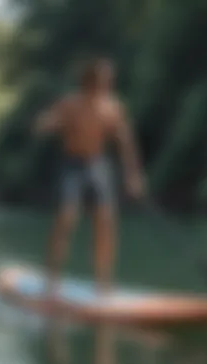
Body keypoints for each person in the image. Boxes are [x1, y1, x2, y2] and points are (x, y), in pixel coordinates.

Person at [34, 57, 145, 298]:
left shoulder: (113, 107)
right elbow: (49, 120)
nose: (106, 84)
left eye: (109, 80)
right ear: (90, 81)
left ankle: (103, 285)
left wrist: (133, 175)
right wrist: (45, 124)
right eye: (102, 80)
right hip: (72, 164)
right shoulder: (71, 103)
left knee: (106, 220)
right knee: (66, 217)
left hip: (97, 165)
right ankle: (51, 282)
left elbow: (125, 142)